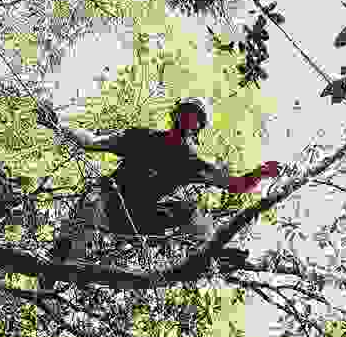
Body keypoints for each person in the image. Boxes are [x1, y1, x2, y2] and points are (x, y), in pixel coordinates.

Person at [36, 96, 282, 286]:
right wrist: (57, 125)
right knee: (93, 196)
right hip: (111, 206)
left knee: (193, 212)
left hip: (141, 219)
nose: (189, 120)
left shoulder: (190, 162)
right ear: (177, 117)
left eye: (194, 118)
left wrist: (260, 173)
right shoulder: (142, 138)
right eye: (186, 114)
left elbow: (234, 185)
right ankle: (60, 260)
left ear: (197, 128)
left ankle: (210, 254)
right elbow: (90, 141)